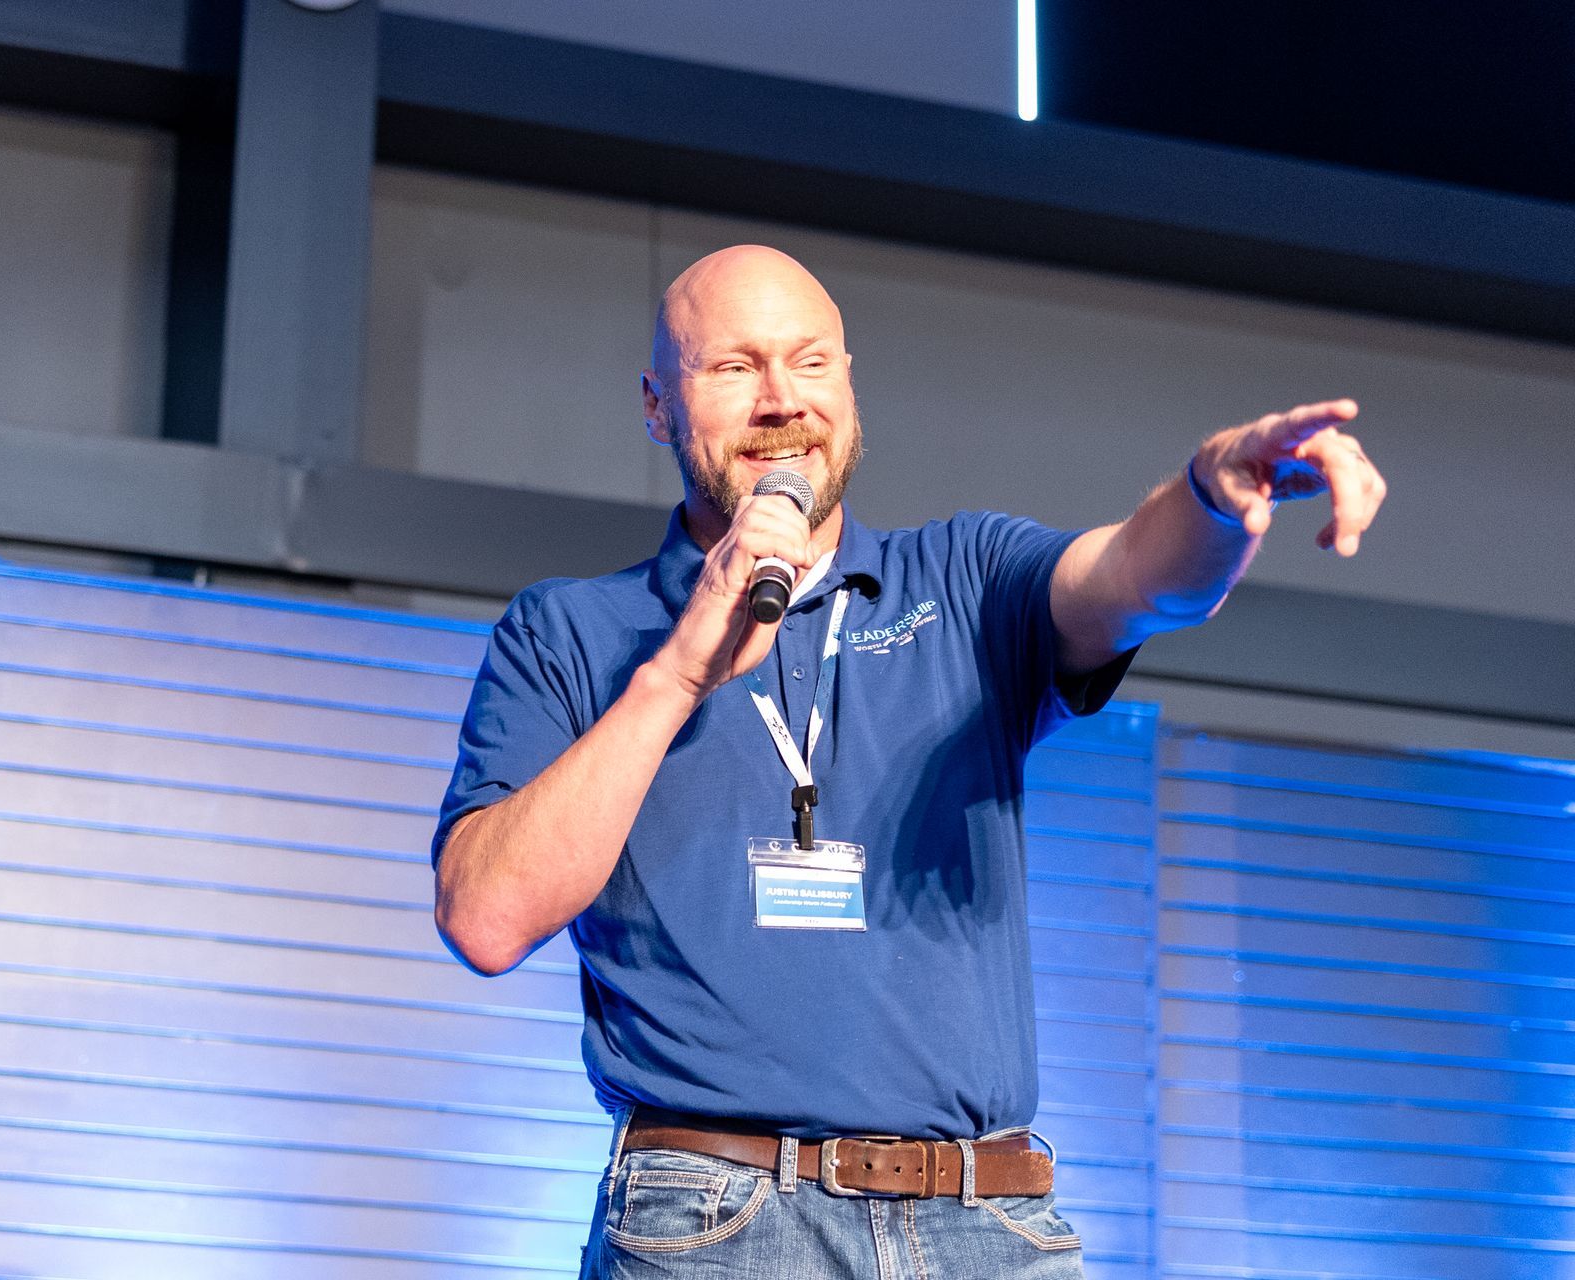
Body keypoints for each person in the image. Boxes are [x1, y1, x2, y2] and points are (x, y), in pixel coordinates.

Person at [432, 245, 1387, 1278]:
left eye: (809, 363)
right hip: (717, 1221)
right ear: (659, 406)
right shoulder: (570, 630)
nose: (779, 401)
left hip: (989, 1221)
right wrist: (675, 673)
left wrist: (1211, 492)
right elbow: (485, 917)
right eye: (732, 368)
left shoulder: (963, 579)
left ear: (850, 385)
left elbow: (1133, 577)